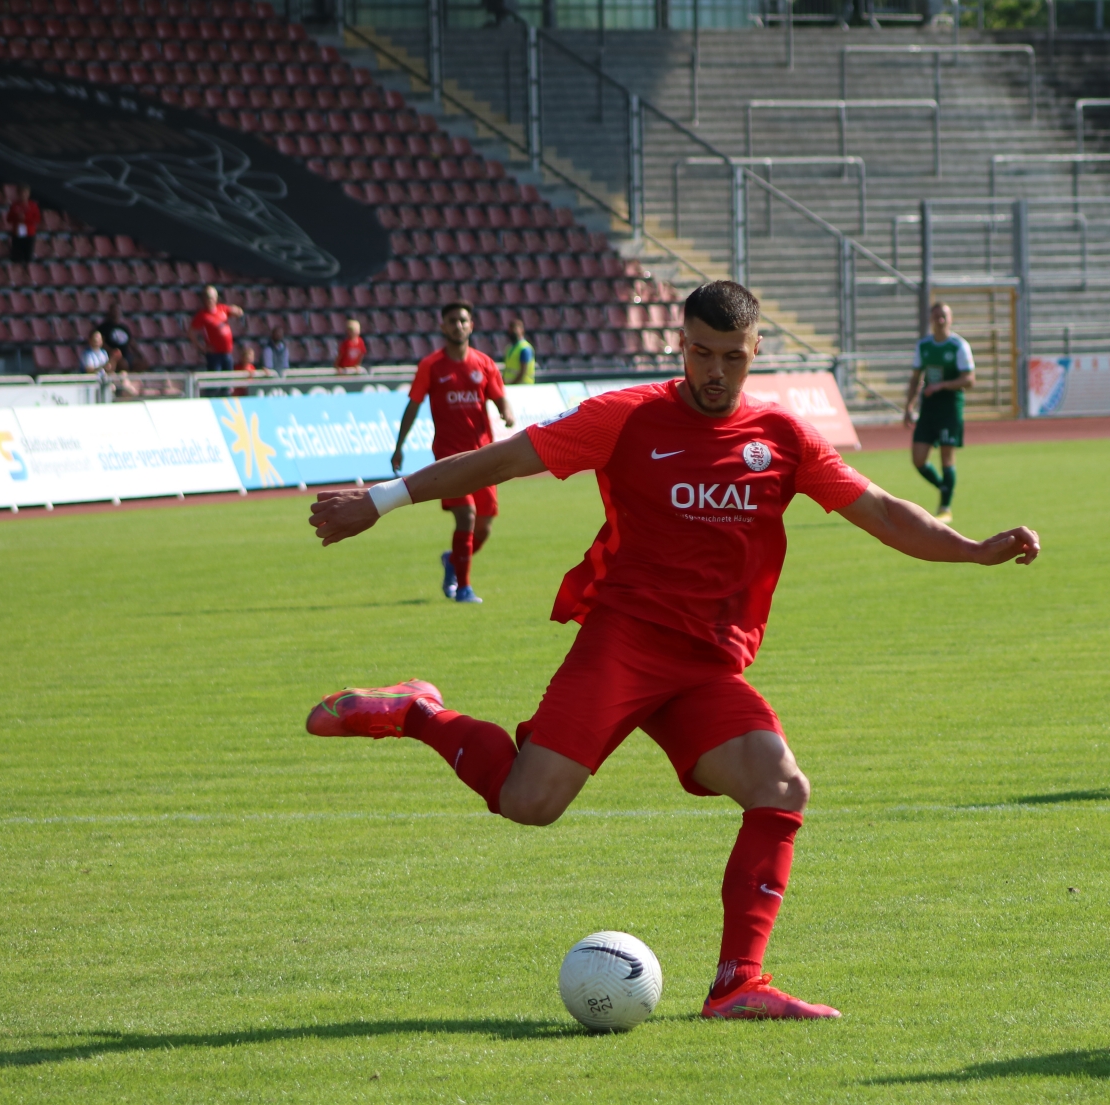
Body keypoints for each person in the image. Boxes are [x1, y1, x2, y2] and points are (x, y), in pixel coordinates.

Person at [304, 280, 1042, 1020]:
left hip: (707, 667)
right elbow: (501, 460)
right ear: (679, 345)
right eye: (700, 353)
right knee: (528, 803)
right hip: (624, 643)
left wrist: (972, 549)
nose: (715, 372)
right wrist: (381, 500)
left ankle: (737, 984)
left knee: (781, 786)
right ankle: (417, 712)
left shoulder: (783, 438)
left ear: (757, 350)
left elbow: (880, 510)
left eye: (732, 357)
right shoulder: (625, 417)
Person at [391, 300, 514, 604]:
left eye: (463, 320)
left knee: (484, 528)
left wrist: (507, 412)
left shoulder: (484, 364)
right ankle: (464, 588)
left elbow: (500, 397)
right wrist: (399, 446)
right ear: (442, 326)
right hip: (449, 457)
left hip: (483, 456)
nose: (458, 325)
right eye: (452, 321)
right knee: (467, 517)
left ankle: (452, 561)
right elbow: (413, 405)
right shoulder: (431, 366)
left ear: (471, 325)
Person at [901, 301, 975, 522]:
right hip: (929, 408)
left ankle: (945, 508)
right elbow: (916, 378)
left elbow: (969, 379)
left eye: (944, 316)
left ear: (950, 319)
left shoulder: (958, 346)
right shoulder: (924, 346)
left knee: (946, 458)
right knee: (918, 459)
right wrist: (909, 406)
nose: (940, 320)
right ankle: (945, 487)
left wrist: (942, 385)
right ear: (931, 320)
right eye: (936, 316)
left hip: (949, 408)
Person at [188, 284, 243, 372]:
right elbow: (191, 332)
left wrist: (236, 310)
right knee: (215, 378)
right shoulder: (202, 315)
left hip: (227, 353)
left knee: (228, 378)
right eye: (208, 297)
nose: (210, 299)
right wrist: (202, 347)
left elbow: (238, 312)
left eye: (212, 297)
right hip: (214, 354)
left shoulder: (222, 308)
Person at [93, 301, 141, 371]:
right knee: (123, 364)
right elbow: (102, 343)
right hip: (112, 356)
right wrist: (112, 351)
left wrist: (139, 353)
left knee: (142, 363)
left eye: (118, 311)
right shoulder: (104, 327)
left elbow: (131, 342)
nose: (116, 313)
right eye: (114, 311)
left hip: (126, 355)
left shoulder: (124, 327)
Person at [6, 185, 41, 264]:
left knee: (28, 256)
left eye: (25, 193)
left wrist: (25, 218)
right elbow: (9, 219)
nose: (24, 195)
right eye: (22, 193)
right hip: (17, 233)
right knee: (16, 256)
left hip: (29, 233)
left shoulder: (33, 205)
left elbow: (37, 219)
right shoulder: (14, 205)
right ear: (19, 194)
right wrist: (17, 217)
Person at [502, 317, 536, 384]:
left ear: (522, 330)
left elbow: (523, 372)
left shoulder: (525, 348)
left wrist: (513, 384)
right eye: (510, 330)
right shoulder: (509, 348)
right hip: (510, 385)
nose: (512, 332)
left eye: (515, 330)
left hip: (523, 386)